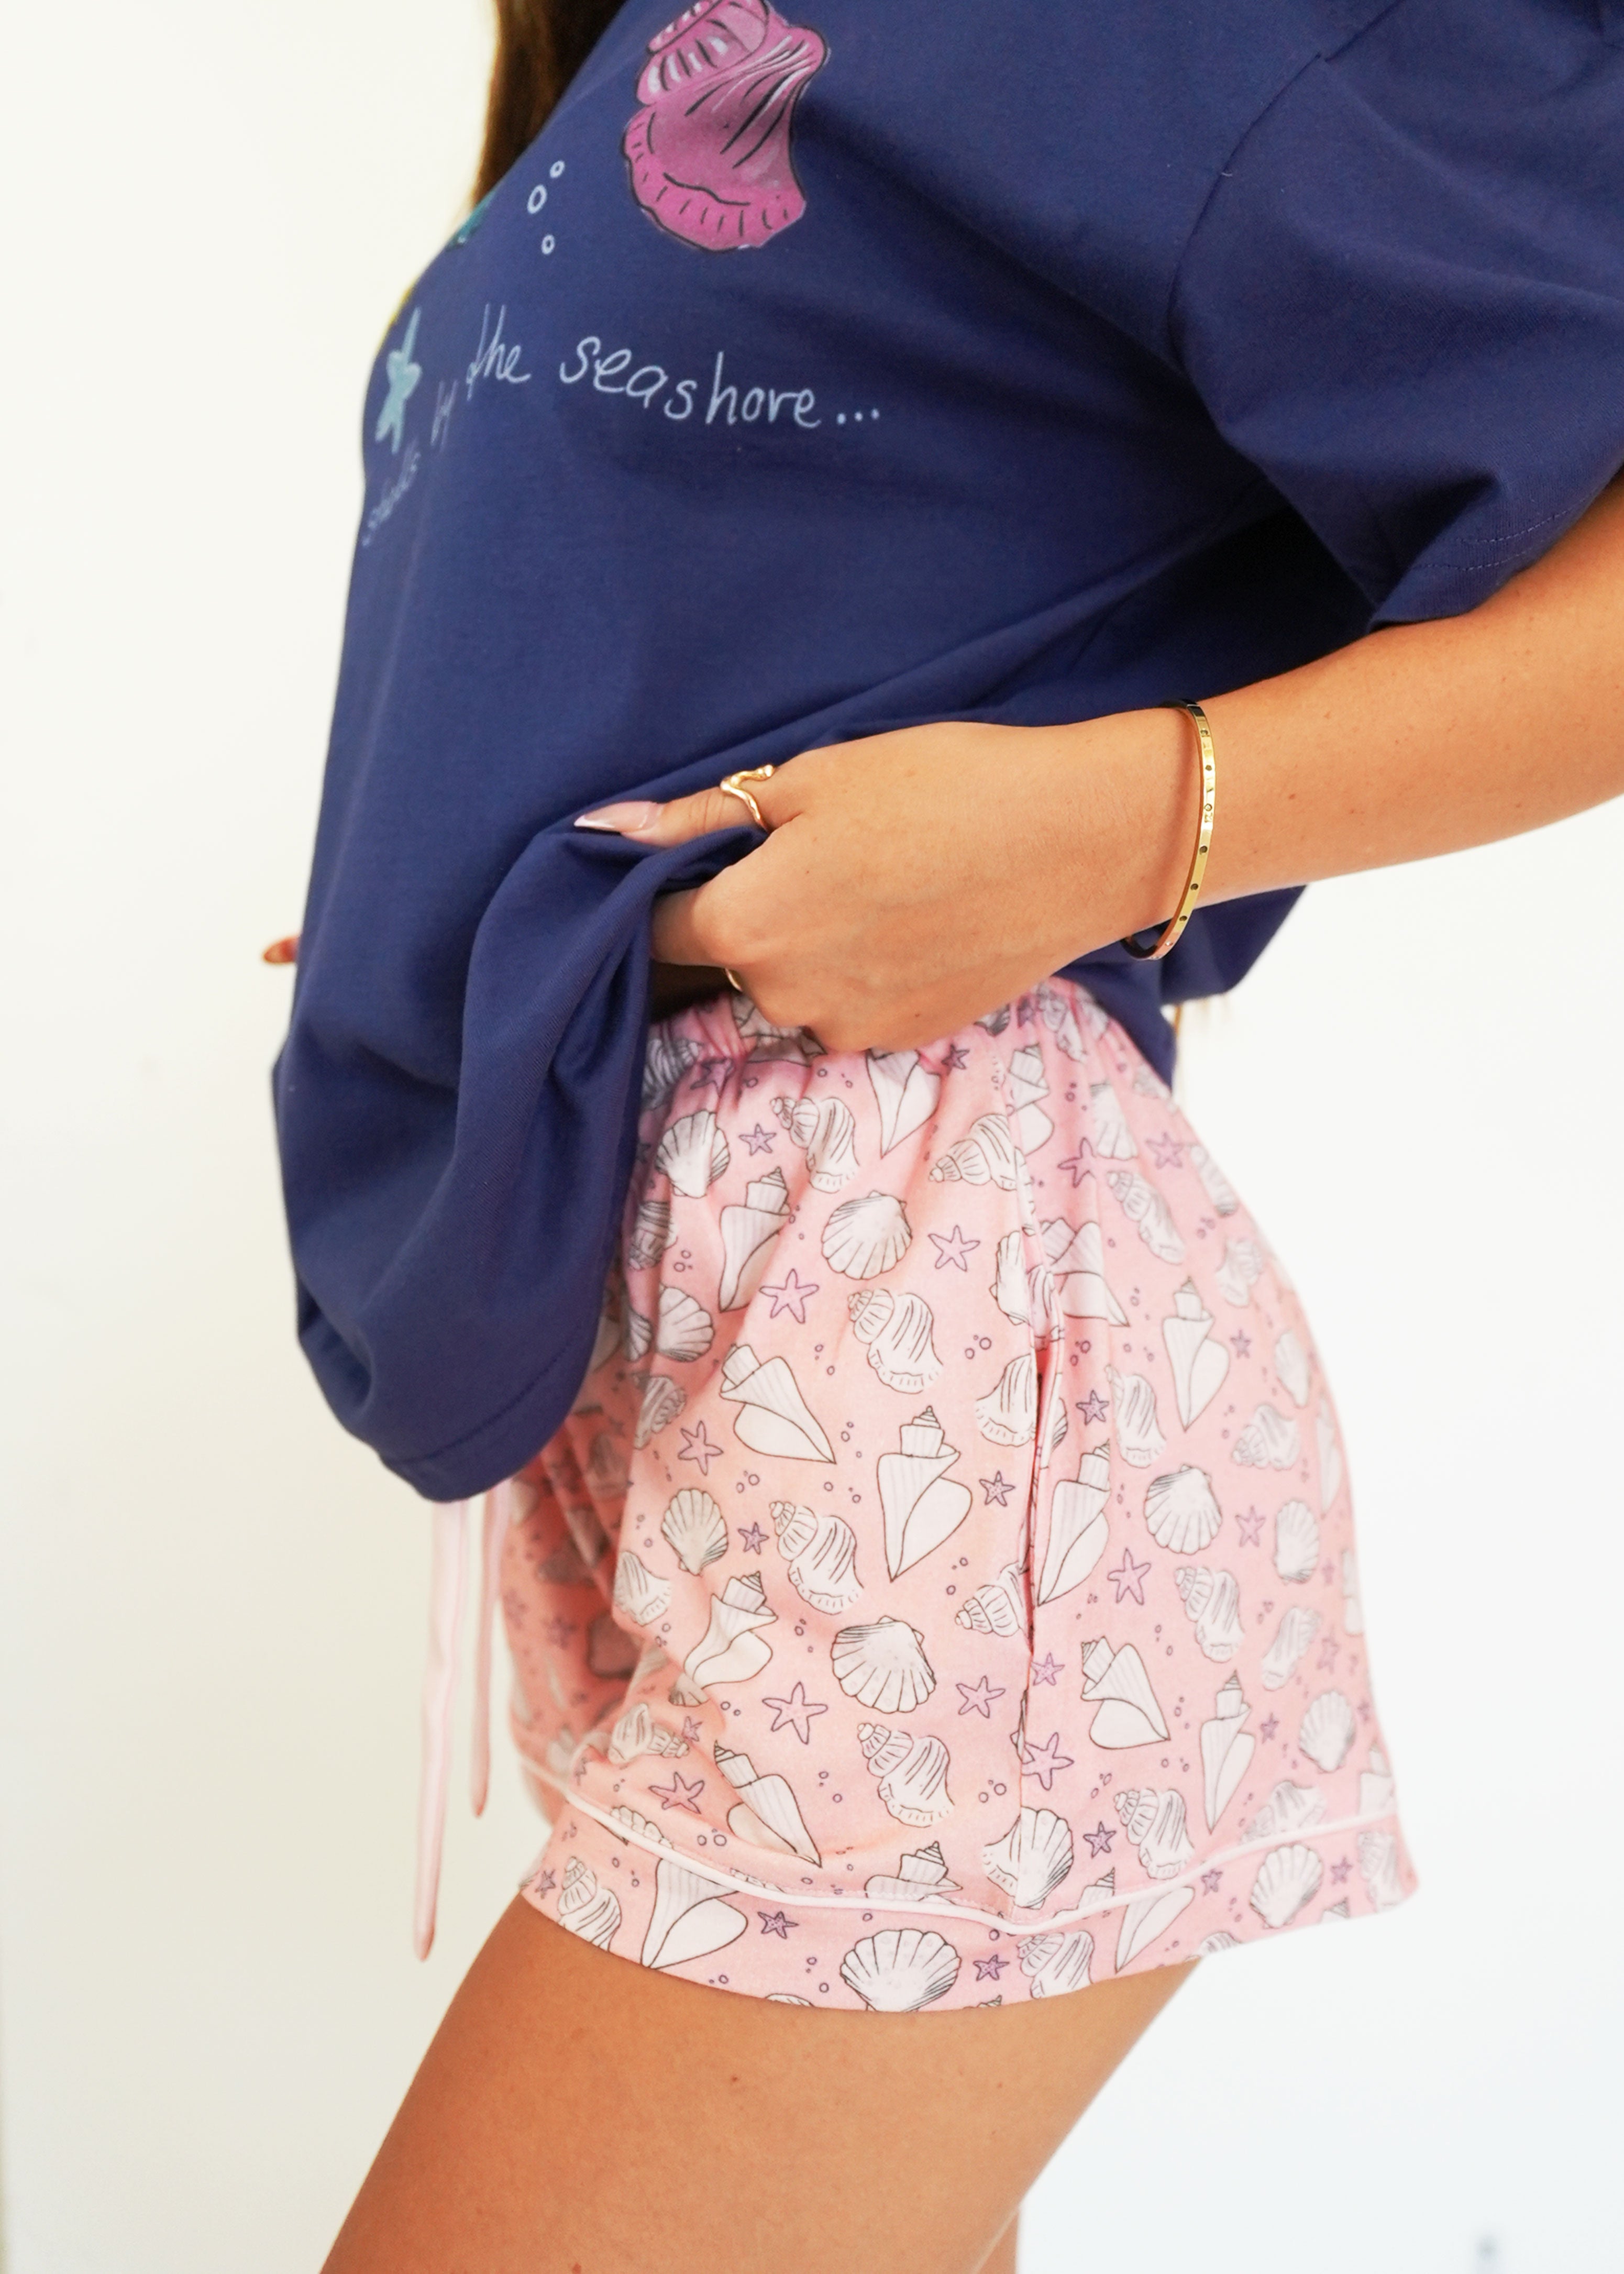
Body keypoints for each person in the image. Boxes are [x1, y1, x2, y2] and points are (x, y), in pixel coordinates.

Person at [272, 3, 1624, 2267]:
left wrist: (1115, 823)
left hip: (921, 1351)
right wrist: (465, 899)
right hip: (699, 1336)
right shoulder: (633, 49)